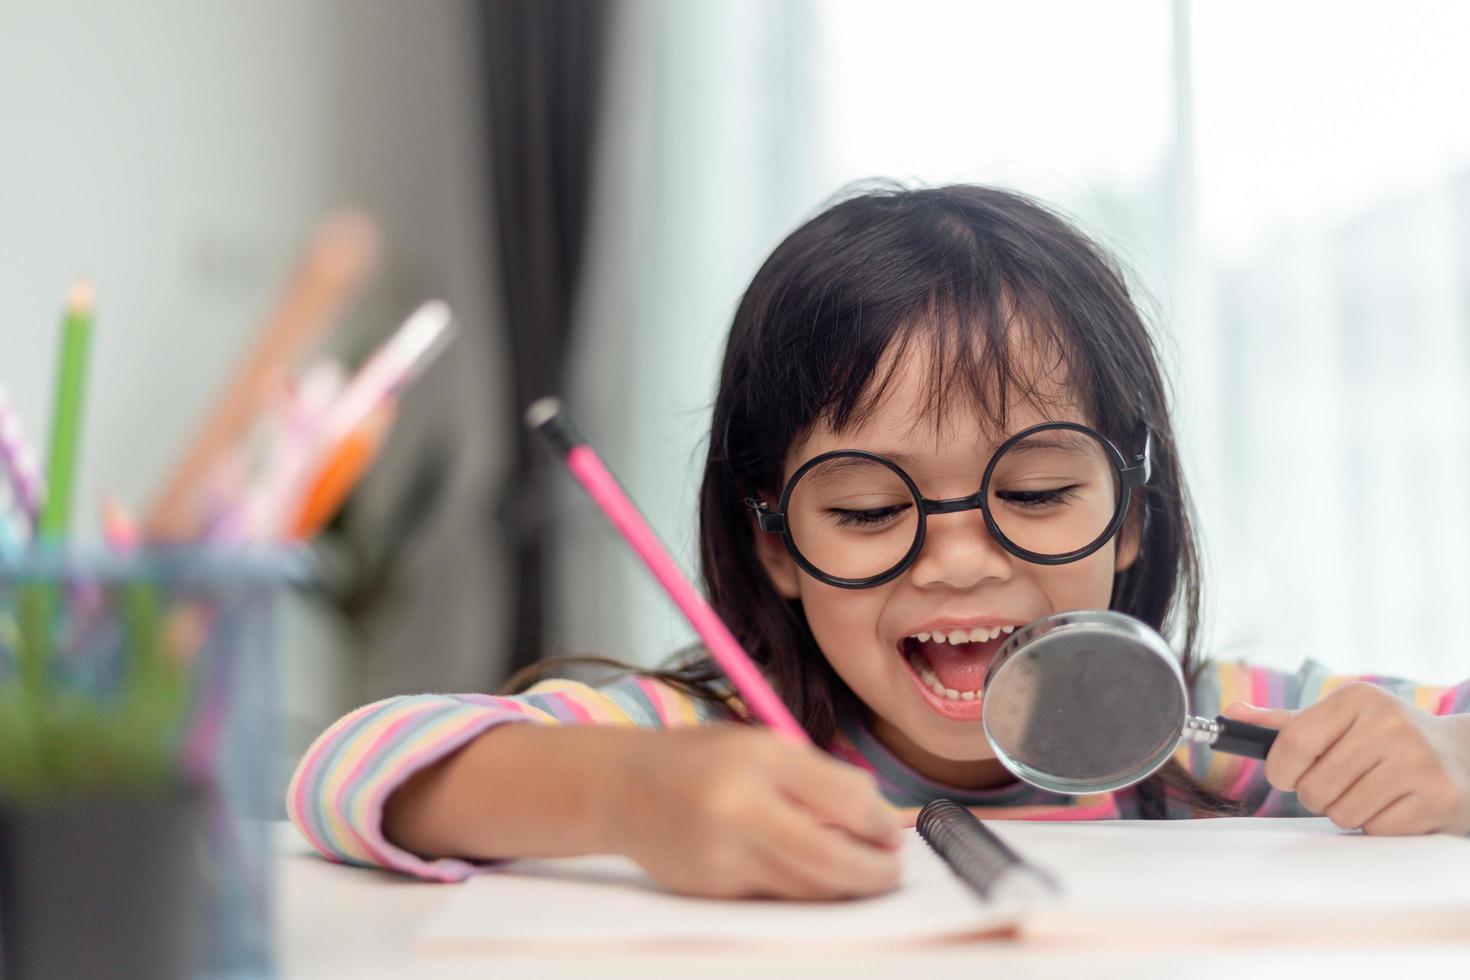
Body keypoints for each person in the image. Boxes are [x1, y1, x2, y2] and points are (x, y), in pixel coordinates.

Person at [287, 185, 1470, 899]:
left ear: (1134, 519)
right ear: (775, 545)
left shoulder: (1209, 721)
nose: (958, 559)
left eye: (1042, 491)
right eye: (865, 510)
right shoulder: (713, 746)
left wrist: (1447, 766)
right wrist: (624, 796)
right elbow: (344, 768)